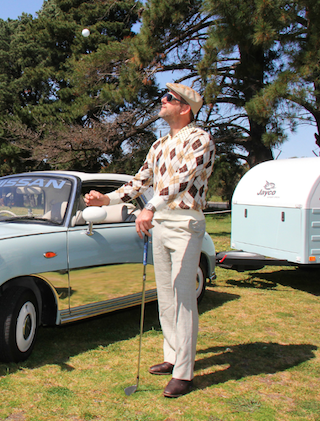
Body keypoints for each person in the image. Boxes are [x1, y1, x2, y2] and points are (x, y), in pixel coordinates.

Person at [84, 83, 215, 398]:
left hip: (185, 223)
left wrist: (150, 208)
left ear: (185, 108)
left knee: (184, 298)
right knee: (166, 297)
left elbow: (180, 181)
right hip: (159, 224)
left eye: (169, 98)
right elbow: (140, 180)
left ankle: (184, 372)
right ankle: (172, 356)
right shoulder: (158, 145)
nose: (163, 100)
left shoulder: (201, 139)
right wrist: (107, 200)